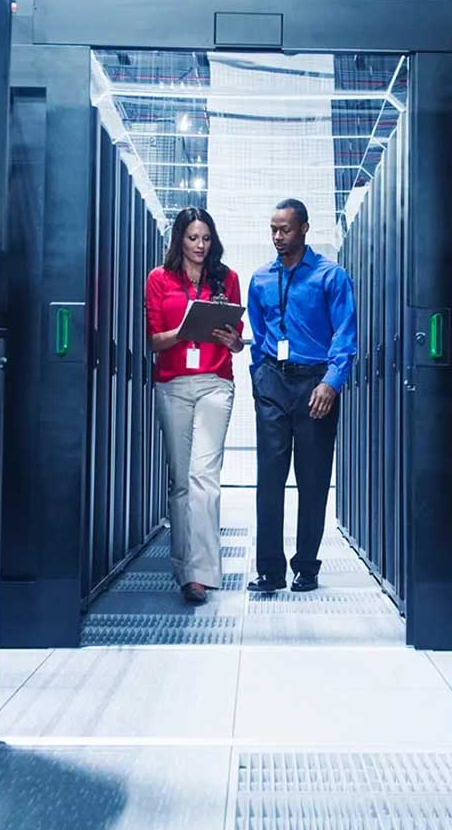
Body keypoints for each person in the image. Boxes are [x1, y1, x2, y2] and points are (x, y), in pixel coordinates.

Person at [246, 199, 357, 593]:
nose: (278, 237)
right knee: (269, 481)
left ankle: (306, 567)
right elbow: (259, 335)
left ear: (304, 229)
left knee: (313, 481)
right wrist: (260, 375)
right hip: (273, 384)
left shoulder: (332, 276)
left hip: (316, 386)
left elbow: (345, 334)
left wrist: (331, 382)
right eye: (273, 229)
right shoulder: (260, 279)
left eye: (285, 229)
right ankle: (269, 571)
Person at [146, 207, 244, 604]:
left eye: (205, 238)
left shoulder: (227, 279)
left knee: (205, 476)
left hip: (215, 382)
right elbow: (154, 340)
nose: (200, 245)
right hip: (172, 384)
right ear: (179, 240)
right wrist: (184, 331)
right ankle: (184, 567)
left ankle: (201, 574)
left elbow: (236, 337)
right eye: (192, 238)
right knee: (182, 481)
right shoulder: (159, 278)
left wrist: (233, 341)